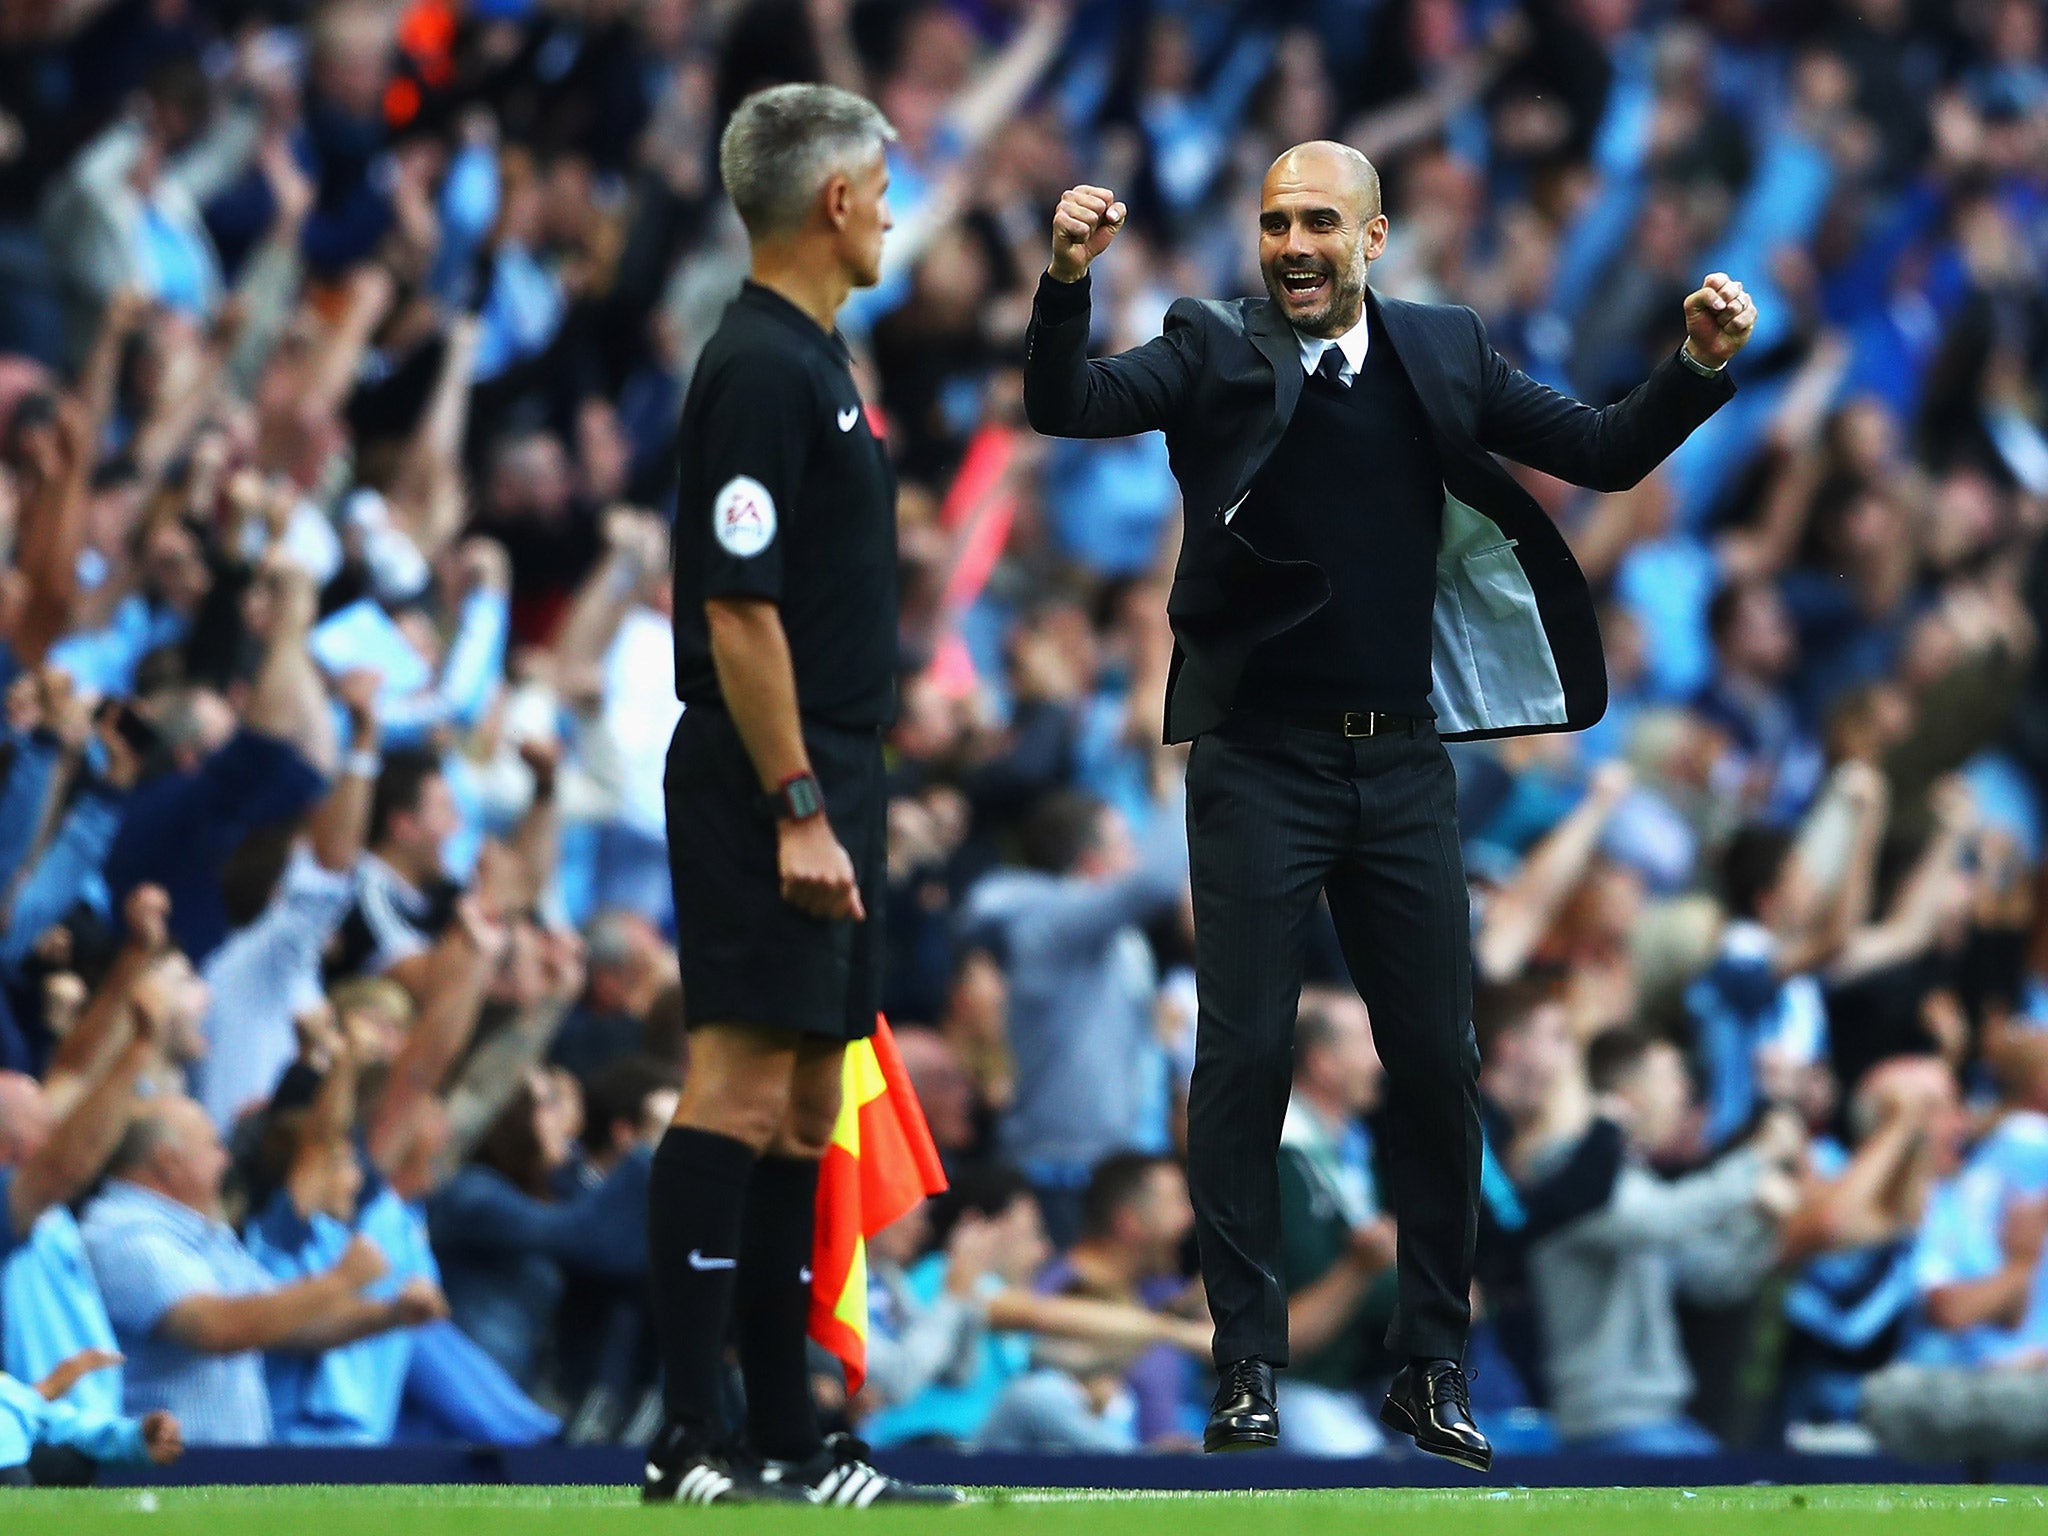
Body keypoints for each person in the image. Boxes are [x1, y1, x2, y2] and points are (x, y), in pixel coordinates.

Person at [1022, 140, 1757, 1466]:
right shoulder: (1207, 344)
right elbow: (1066, 404)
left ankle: (1433, 1367)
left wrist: (1695, 367)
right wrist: (1068, 279)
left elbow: (1599, 454)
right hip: (1254, 760)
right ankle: (1245, 1364)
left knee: (1438, 1069)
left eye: (1319, 222)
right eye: (1273, 222)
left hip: (1404, 762)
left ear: (1371, 242)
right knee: (1241, 1058)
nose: (1292, 243)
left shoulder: (1446, 350)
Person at [643, 82, 954, 1507]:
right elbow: (737, 609)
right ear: (835, 202)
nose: (895, 208)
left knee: (804, 1095)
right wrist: (795, 802)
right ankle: (687, 1433)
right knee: (741, 1079)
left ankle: (786, 1430)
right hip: (772, 769)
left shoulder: (814, 363)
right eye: (883, 186)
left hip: (833, 762)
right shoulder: (764, 369)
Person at [79, 1095, 445, 1445]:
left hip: (222, 1473)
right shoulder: (125, 1234)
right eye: (213, 1146)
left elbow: (293, 1325)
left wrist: (391, 1314)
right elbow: (217, 1328)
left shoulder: (206, 1234)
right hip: (165, 1477)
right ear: (169, 1161)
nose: (225, 1159)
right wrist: (341, 1281)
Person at [1525, 1028, 1796, 1454]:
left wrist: (1759, 1224)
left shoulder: (1632, 1178)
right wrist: (1756, 1160)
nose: (1684, 1093)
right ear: (1627, 1093)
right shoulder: (1571, 1170)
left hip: (1655, 1418)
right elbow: (1664, 1219)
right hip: (1607, 1421)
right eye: (1670, 1077)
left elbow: (1709, 1277)